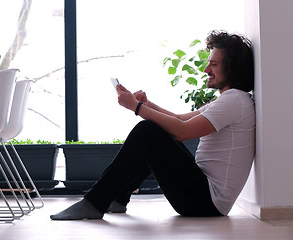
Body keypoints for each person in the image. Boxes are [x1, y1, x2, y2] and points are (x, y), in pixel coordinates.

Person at [50, 30, 255, 220]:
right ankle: (117, 199)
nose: (206, 69)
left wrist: (137, 108)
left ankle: (95, 203)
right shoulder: (232, 99)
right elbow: (181, 119)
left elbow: (182, 132)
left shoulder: (234, 100)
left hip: (207, 202)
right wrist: (148, 105)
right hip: (204, 196)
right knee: (154, 130)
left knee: (148, 131)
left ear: (232, 68)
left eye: (214, 65)